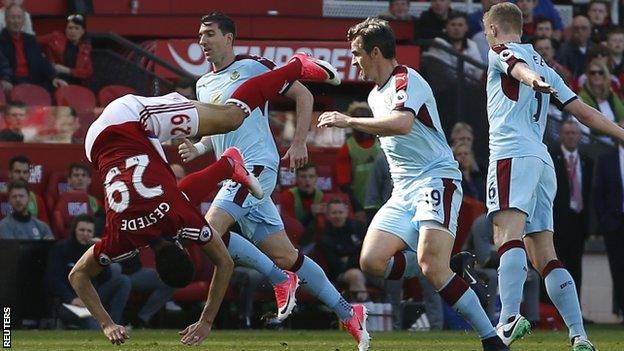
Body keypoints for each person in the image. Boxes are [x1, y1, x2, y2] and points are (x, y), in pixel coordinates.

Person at [68, 48, 341, 345]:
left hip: (133, 118)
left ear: (184, 250)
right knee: (178, 192)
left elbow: (224, 263)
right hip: (94, 144)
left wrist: (207, 320)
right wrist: (107, 323)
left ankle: (296, 66)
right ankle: (228, 165)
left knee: (232, 117)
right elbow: (78, 276)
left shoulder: (180, 220)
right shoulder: (119, 239)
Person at [177, 12, 368, 350]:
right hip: (230, 171)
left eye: (209, 34)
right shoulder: (203, 84)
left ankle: (280, 280)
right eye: (200, 35)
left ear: (229, 38)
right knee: (286, 255)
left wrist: (298, 142)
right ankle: (349, 311)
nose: (202, 41)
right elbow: (217, 127)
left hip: (255, 167)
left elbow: (305, 96)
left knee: (208, 230)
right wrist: (199, 146)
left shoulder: (253, 66)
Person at [318, 17, 507, 351]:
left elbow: (403, 124)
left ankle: (491, 339)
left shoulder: (407, 78)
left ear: (376, 52)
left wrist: (349, 120)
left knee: (431, 267)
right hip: (403, 190)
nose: (354, 61)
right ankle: (449, 265)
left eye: (357, 53)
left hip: (437, 178)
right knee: (372, 262)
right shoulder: (376, 94)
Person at [482, 2, 624, 349]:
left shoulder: (501, 51)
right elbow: (582, 111)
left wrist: (532, 80)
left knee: (507, 235)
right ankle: (579, 335)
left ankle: (509, 318)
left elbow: (515, 69)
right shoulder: (545, 63)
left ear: (494, 29)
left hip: (512, 155)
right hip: (543, 162)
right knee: (545, 254)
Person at [45, 215, 131, 329]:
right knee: (91, 323)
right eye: (81, 230)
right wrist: (71, 299)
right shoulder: (61, 248)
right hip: (68, 302)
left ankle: (113, 325)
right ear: (74, 230)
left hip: (91, 296)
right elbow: (53, 279)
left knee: (123, 280)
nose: (85, 234)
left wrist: (101, 253)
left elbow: (106, 278)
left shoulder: (93, 250)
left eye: (89, 231)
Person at [549, 120, 593, 300]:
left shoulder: (587, 161)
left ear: (580, 136)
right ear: (561, 135)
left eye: (574, 133)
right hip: (557, 222)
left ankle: (576, 309)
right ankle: (551, 311)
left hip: (578, 222)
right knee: (554, 266)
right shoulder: (552, 158)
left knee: (576, 268)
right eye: (567, 133)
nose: (571, 136)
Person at [594, 124, 624, 322]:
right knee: (618, 269)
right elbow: (598, 193)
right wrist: (605, 221)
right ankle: (622, 311)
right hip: (616, 224)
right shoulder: (606, 159)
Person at [0, 4, 66, 90]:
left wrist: (54, 77)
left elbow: (42, 61)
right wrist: (6, 80)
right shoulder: (1, 40)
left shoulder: (31, 40)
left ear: (23, 21)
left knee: (56, 85)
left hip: (33, 80)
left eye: (19, 18)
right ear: (6, 20)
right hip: (12, 81)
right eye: (12, 17)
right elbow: (3, 66)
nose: (16, 21)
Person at [335, 102, 381, 223]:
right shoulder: (347, 148)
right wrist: (357, 209)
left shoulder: (382, 143)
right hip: (363, 206)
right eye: (358, 119)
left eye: (365, 119)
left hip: (385, 203)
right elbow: (344, 184)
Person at [319, 198, 368, 301]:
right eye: (334, 213)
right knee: (355, 275)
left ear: (346, 213)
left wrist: (348, 259)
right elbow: (336, 264)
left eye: (340, 212)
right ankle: (364, 309)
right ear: (328, 215)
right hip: (340, 274)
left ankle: (394, 309)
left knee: (390, 273)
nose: (337, 216)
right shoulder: (325, 236)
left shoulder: (358, 228)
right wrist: (355, 257)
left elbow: (366, 252)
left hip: (365, 268)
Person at [425, 11, 484, 80]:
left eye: (460, 25)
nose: (456, 28)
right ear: (446, 27)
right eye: (453, 25)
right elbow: (446, 73)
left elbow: (478, 71)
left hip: (471, 87)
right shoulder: (438, 44)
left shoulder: (472, 45)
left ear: (466, 28)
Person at [279, 164, 324, 253]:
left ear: (316, 178)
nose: (307, 180)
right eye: (303, 176)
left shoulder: (322, 196)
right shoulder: (288, 196)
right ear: (297, 179)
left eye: (311, 176)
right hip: (292, 243)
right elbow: (290, 228)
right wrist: (311, 214)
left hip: (316, 243)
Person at [37, 14, 92, 85]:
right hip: (55, 78)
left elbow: (88, 73)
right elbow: (33, 41)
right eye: (70, 28)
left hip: (76, 82)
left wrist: (68, 70)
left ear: (83, 31)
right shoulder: (56, 37)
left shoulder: (85, 48)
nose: (73, 31)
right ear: (66, 30)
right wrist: (42, 57)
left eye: (77, 28)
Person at [578, 60, 624, 142]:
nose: (597, 75)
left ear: (605, 75)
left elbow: (622, 115)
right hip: (595, 142)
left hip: (617, 141)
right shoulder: (582, 97)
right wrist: (617, 126)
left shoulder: (611, 95)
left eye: (600, 72)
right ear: (588, 75)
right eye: (593, 73)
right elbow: (590, 121)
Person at [5, 155, 48, 223]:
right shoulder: (2, 197)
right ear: (10, 173)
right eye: (17, 172)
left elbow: (44, 229)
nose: (21, 175)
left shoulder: (37, 200)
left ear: (29, 175)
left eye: (25, 172)